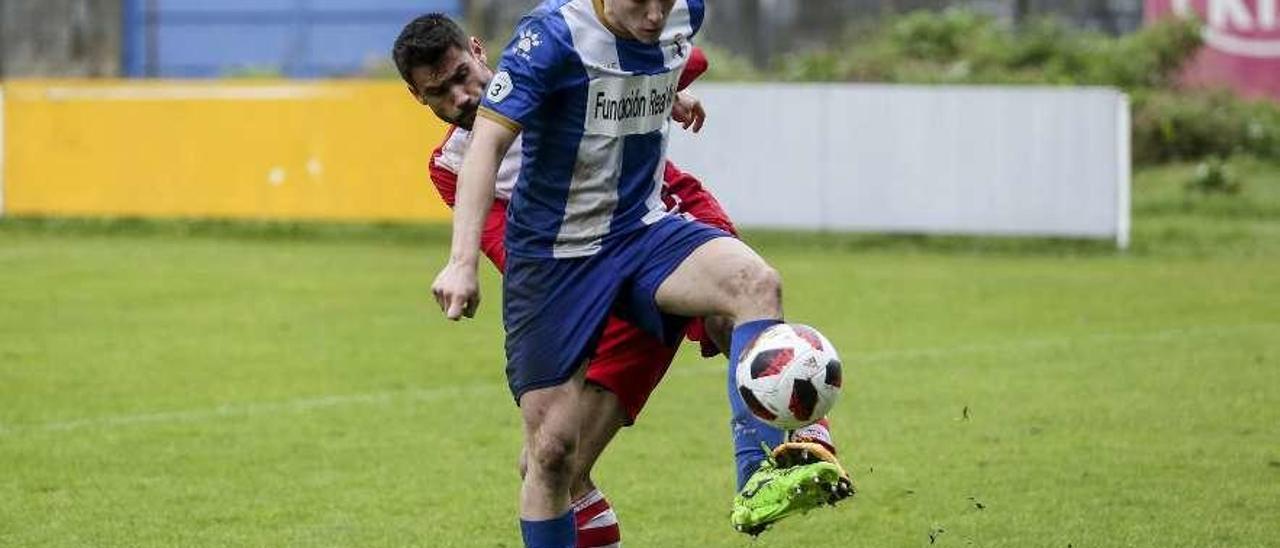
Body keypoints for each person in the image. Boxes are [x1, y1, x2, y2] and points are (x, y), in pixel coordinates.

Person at [405, 4, 850, 545]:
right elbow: (508, 247)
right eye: (439, 94)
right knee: (549, 459)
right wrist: (463, 261)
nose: (461, 98)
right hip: (571, 275)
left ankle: (788, 452)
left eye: (461, 77)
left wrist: (664, 95)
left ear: (478, 51)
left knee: (740, 299)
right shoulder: (458, 161)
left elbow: (659, 55)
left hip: (652, 224)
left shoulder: (609, 32)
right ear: (418, 98)